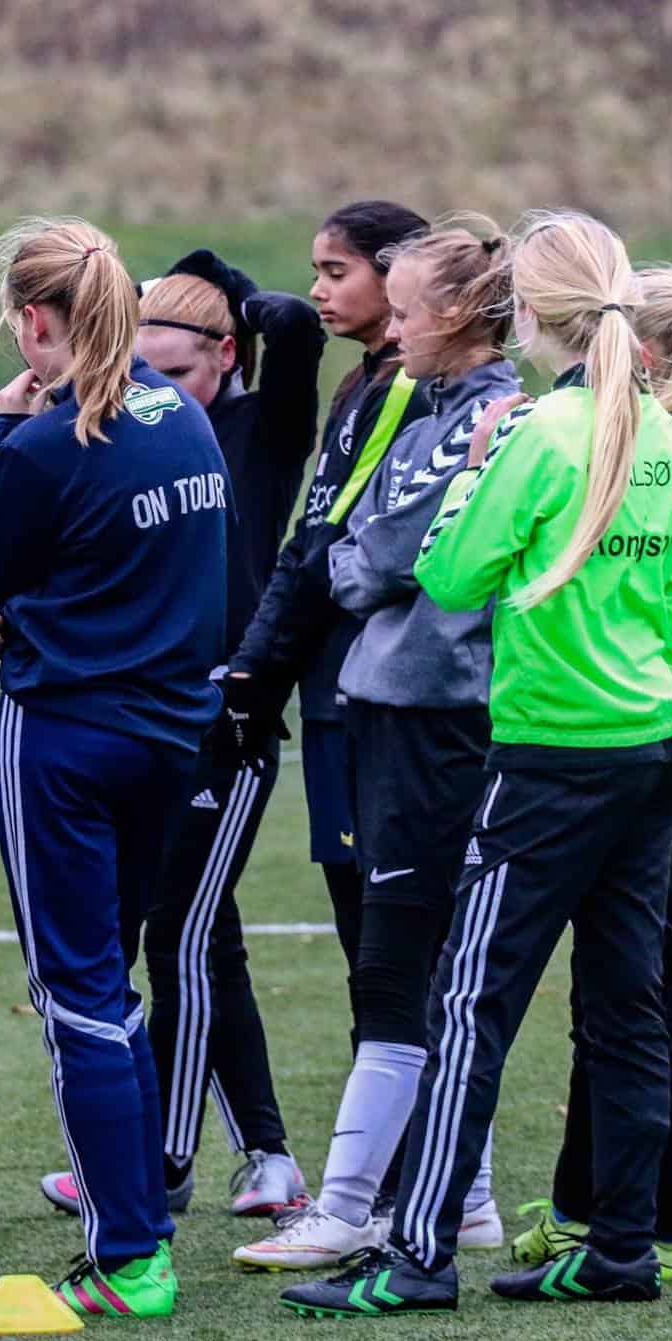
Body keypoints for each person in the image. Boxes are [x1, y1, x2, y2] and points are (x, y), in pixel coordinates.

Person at [283, 211, 672, 1317]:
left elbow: (453, 576)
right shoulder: (662, 438)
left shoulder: (534, 435)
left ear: (526, 313)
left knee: (466, 1001)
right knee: (622, 1009)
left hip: (551, 756)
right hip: (653, 746)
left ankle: (416, 1252)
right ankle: (620, 1248)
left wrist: (472, 473)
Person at [237, 215, 519, 1272]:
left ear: (451, 314)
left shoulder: (486, 416)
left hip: (434, 715)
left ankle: (351, 1205)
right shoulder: (427, 404)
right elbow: (357, 545)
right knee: (413, 962)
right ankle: (468, 1191)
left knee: (400, 963)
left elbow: (375, 556)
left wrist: (368, 565)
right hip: (396, 704)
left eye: (401, 310)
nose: (388, 333)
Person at [0, 216, 230, 1320]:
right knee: (109, 983)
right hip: (169, 737)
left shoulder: (39, 444)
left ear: (33, 322)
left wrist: (4, 431)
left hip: (66, 736)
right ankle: (140, 1223)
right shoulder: (185, 421)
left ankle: (129, 1253)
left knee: (76, 993)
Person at [40, 249, 323, 1225]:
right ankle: (269, 1157)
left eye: (185, 367)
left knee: (184, 937)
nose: (165, 388)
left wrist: (212, 283)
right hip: (150, 719)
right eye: (144, 364)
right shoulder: (141, 430)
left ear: (227, 358)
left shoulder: (259, 426)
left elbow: (296, 324)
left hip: (227, 724)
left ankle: (157, 1162)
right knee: (206, 937)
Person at [510, 265, 672, 1286]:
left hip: (652, 746)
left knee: (639, 990)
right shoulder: (670, 451)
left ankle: (654, 1225)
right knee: (625, 986)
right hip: (665, 743)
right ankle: (603, 1214)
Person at [221, 203, 434, 1004]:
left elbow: (321, 545)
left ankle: (422, 1129)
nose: (318, 289)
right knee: (378, 949)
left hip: (367, 694)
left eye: (336, 272)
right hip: (347, 688)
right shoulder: (372, 379)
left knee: (385, 953)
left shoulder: (403, 389)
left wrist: (251, 673)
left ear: (397, 274)